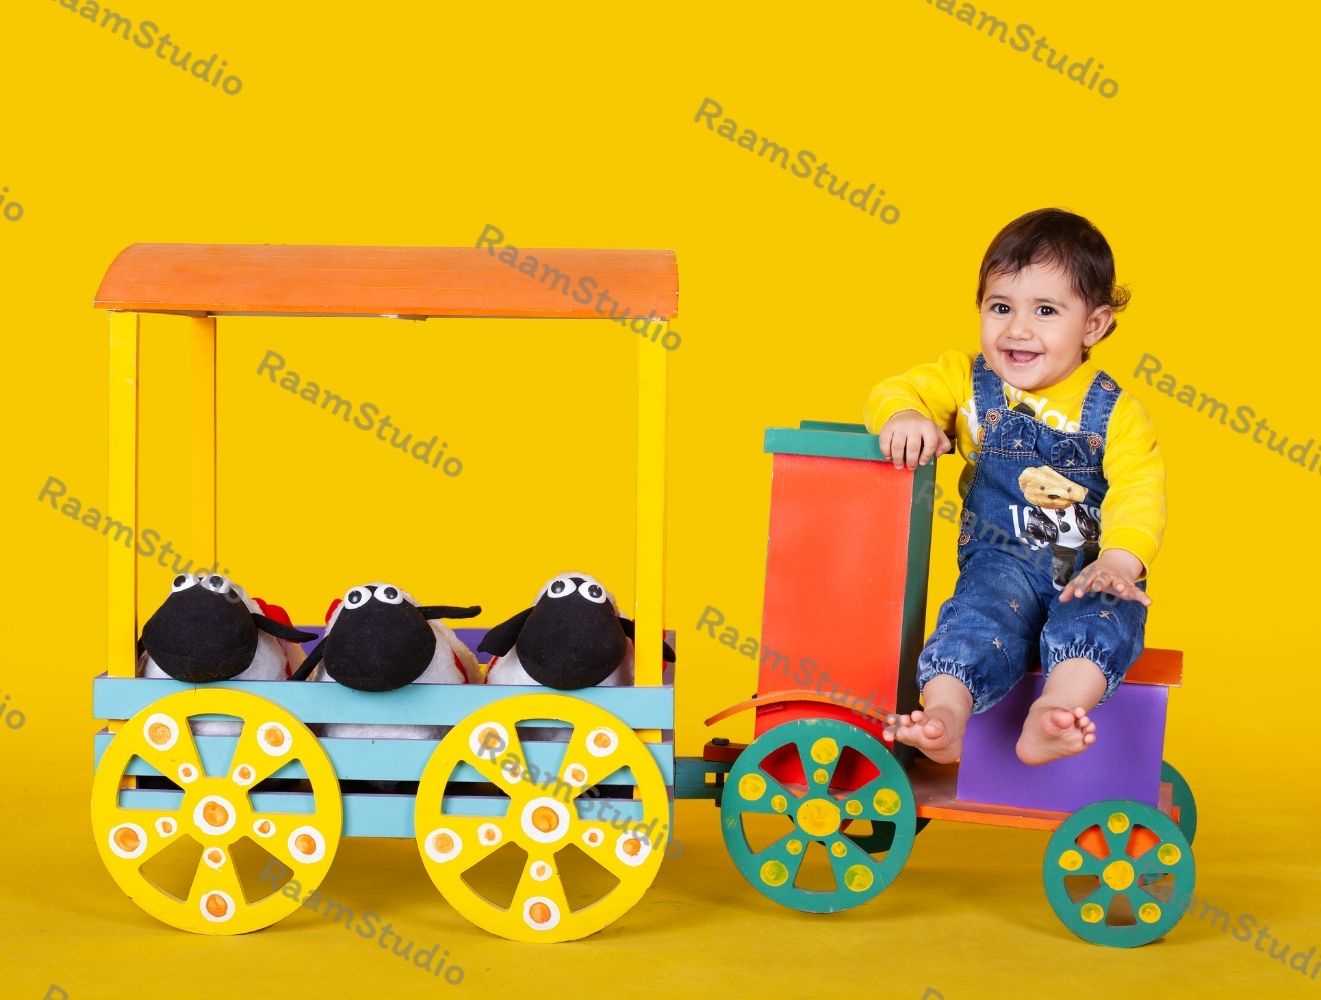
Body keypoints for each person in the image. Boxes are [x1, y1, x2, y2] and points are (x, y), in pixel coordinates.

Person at [866, 208, 1164, 765]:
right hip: (1000, 561)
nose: (1018, 329)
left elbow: (1139, 490)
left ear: (1093, 326)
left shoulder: (1116, 413)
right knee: (974, 618)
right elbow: (896, 389)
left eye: (1045, 311)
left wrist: (1119, 563)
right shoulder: (966, 381)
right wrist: (905, 415)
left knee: (1103, 618)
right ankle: (945, 716)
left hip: (1084, 567)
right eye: (1001, 307)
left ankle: (1054, 712)